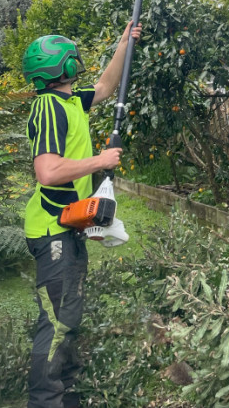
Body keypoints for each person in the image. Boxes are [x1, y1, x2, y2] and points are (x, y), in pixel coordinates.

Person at [21, 21, 141, 408]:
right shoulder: (50, 108)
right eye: (73, 57)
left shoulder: (70, 101)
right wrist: (99, 161)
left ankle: (65, 395)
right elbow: (48, 171)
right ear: (65, 66)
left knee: (68, 315)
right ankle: (46, 401)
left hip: (69, 224)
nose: (78, 62)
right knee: (56, 322)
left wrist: (124, 43)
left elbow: (106, 87)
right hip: (51, 228)